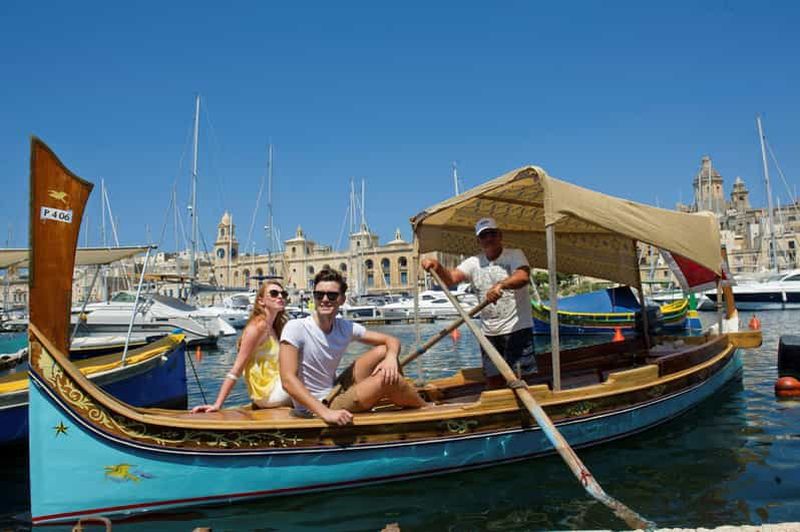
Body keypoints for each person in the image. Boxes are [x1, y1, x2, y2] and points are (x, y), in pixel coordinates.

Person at [279, 268, 426, 425]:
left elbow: (391, 340)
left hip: (335, 389)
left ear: (342, 299)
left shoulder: (344, 327)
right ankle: (425, 408)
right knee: (388, 379)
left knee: (384, 351)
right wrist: (326, 413)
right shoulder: (296, 327)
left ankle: (399, 394)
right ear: (314, 297)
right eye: (319, 294)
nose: (325, 299)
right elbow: (287, 380)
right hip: (319, 405)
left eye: (332, 295)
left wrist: (390, 358)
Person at [421, 217, 536, 387]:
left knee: (524, 380)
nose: (488, 238)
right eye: (484, 236)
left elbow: (522, 276)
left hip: (516, 329)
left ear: (499, 235)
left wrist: (501, 285)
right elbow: (451, 279)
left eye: (492, 234)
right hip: (489, 333)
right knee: (493, 381)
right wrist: (437, 266)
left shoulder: (514, 255)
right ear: (479, 240)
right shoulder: (474, 262)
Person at [192, 281, 292, 413]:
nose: (280, 297)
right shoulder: (257, 327)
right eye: (274, 294)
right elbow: (237, 369)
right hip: (268, 394)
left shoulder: (274, 328)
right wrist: (217, 404)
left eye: (283, 294)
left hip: (278, 387)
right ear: (261, 301)